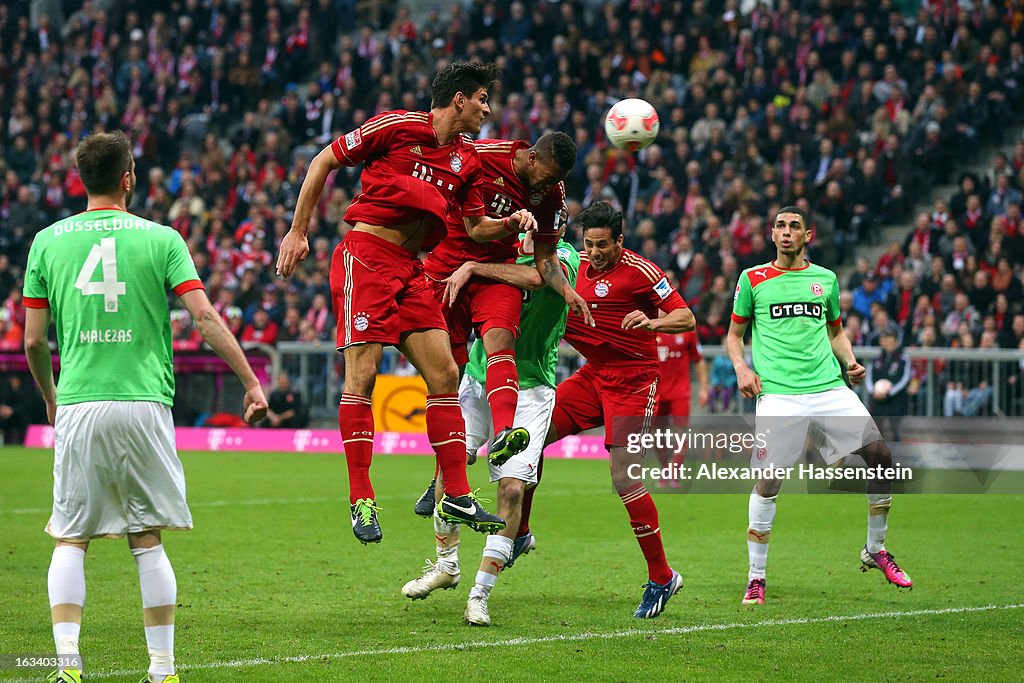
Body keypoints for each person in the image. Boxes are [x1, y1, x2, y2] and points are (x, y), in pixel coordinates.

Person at [22, 131, 268, 683]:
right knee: (146, 537)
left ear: (83, 180)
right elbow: (204, 319)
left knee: (71, 536)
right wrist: (251, 382)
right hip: (144, 404)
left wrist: (51, 398)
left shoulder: (47, 241)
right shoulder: (163, 239)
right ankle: (162, 670)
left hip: (81, 403)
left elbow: (34, 342)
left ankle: (67, 666)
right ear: (129, 178)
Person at [275, 62, 531, 543]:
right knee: (364, 374)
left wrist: (514, 223)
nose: (487, 109)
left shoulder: (468, 160)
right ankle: (361, 496)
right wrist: (298, 231)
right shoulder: (397, 125)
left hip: (413, 269)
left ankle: (455, 491)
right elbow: (323, 161)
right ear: (460, 99)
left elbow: (476, 228)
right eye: (482, 99)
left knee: (445, 375)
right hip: (367, 255)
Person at [726, 205, 913, 607]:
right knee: (769, 482)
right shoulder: (753, 279)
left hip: (829, 389)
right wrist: (742, 367)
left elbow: (836, 332)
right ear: (771, 234)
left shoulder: (825, 280)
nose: (787, 232)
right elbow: (734, 335)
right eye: (780, 226)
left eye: (794, 226)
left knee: (881, 457)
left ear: (808, 235)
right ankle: (755, 578)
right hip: (778, 394)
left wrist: (849, 361)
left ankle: (875, 549)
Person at [402, 224, 580, 627]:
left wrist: (475, 267)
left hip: (532, 390)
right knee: (450, 465)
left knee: (513, 490)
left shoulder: (563, 257)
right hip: (481, 380)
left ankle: (480, 594)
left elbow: (538, 277)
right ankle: (446, 565)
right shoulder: (498, 249)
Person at [411, 130, 591, 516]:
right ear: (532, 158)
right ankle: (441, 476)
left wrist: (568, 292)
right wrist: (510, 223)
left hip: (494, 272)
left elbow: (544, 263)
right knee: (448, 372)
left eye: (558, 178)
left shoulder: (552, 198)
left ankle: (505, 432)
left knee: (499, 339)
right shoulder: (481, 158)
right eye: (548, 174)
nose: (550, 184)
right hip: (448, 265)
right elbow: (475, 228)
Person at [544, 201, 696, 619]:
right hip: (595, 376)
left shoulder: (642, 272)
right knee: (532, 437)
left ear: (620, 241)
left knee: (623, 476)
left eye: (603, 246)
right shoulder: (573, 268)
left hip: (634, 379)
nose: (594, 253)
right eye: (588, 244)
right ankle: (519, 534)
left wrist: (653, 323)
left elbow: (686, 317)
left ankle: (662, 577)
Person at [654, 329, 709, 486]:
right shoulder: (649, 326)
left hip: (680, 393)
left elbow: (698, 360)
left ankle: (674, 473)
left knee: (681, 432)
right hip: (656, 393)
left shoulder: (686, 330)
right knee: (658, 435)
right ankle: (665, 470)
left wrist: (704, 388)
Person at [865, 329, 912, 440]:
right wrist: (873, 391)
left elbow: (905, 379)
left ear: (896, 342)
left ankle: (898, 451)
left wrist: (890, 392)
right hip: (877, 398)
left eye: (890, 340)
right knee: (876, 429)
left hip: (895, 399)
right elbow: (868, 377)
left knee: (895, 429)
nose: (887, 343)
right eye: (884, 340)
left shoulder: (903, 360)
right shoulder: (875, 359)